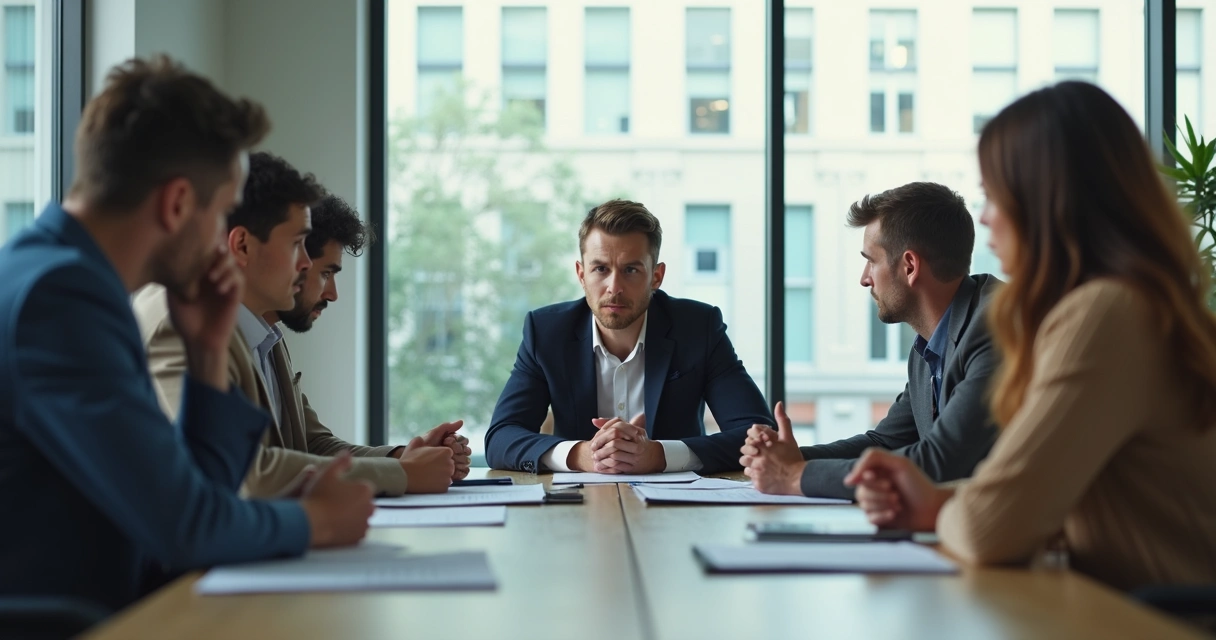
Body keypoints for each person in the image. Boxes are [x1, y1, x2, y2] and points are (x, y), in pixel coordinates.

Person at [0, 56, 372, 613]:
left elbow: (196, 495)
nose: (223, 241)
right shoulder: (60, 298)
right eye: (221, 212)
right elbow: (186, 525)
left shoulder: (60, 276)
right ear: (177, 204)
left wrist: (205, 351)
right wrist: (313, 521)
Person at [847, 81, 1216, 590]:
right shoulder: (1143, 303)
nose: (985, 217)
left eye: (996, 195)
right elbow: (1035, 503)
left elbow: (989, 528)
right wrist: (939, 503)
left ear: (1049, 203)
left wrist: (937, 506)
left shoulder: (1104, 314)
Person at [135, 157, 463, 498]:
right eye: (295, 245)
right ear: (243, 245)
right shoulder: (178, 322)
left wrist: (402, 458)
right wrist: (403, 474)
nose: (304, 264)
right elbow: (246, 473)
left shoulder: (262, 332)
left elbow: (307, 444)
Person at [741, 182, 1000, 499]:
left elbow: (941, 461)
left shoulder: (994, 328)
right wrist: (792, 457)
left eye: (871, 260)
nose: (865, 278)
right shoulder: (929, 345)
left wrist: (795, 476)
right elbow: (886, 442)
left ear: (909, 266)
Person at [485, 199, 773, 475]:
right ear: (581, 274)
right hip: (577, 509)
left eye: (631, 270)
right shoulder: (547, 332)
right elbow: (501, 438)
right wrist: (582, 454)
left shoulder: (698, 328)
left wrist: (658, 455)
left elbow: (760, 435)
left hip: (678, 511)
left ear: (656, 277)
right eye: (600, 269)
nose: (614, 287)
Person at [275, 193, 472, 480]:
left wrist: (406, 455)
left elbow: (315, 445)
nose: (333, 294)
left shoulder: (271, 341)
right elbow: (257, 468)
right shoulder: (219, 347)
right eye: (326, 273)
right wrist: (402, 472)